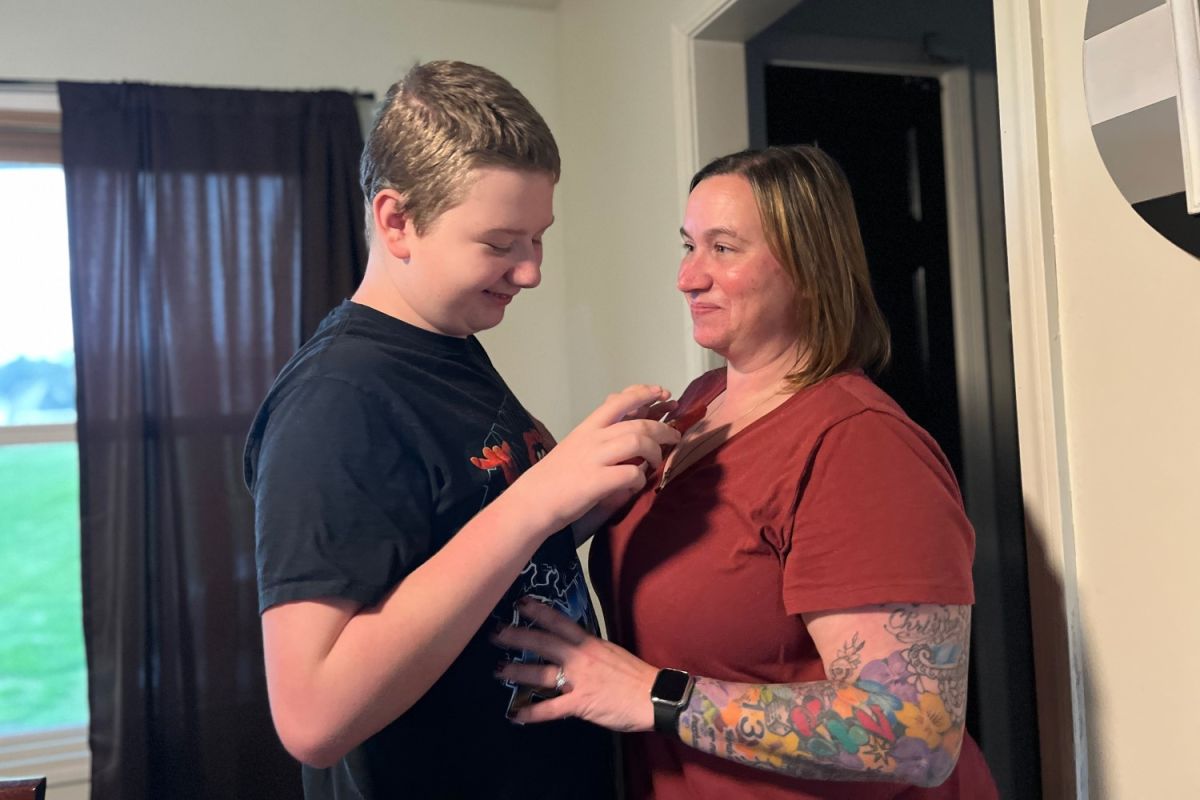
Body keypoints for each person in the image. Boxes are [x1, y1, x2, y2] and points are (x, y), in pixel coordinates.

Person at [493, 145, 999, 799]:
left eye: (724, 249)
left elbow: (913, 733)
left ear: (811, 270)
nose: (687, 277)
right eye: (688, 245)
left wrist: (651, 694)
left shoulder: (861, 446)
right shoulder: (697, 404)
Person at [243, 60, 680, 799]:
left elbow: (458, 551)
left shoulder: (449, 344)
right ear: (396, 220)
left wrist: (589, 487)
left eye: (538, 238)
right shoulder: (334, 402)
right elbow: (311, 718)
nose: (532, 271)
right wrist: (538, 498)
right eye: (501, 243)